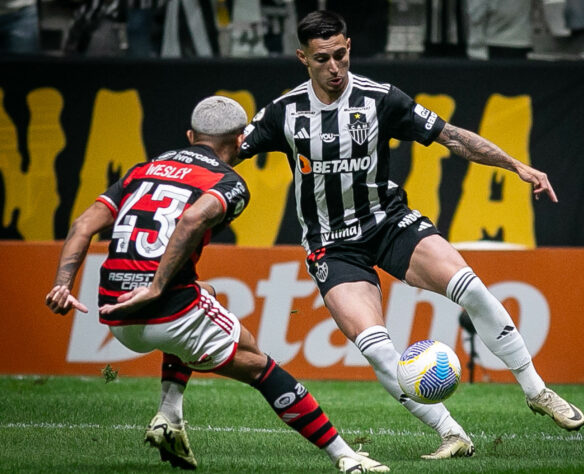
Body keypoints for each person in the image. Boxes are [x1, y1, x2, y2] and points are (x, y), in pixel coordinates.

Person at [116, 9, 584, 462]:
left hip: (389, 223)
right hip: (331, 246)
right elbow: (221, 157)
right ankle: (452, 434)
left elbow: (451, 136)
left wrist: (516, 165)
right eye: (323, 59)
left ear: (349, 49)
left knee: (470, 287)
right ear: (304, 58)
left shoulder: (379, 98)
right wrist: (167, 182)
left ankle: (536, 389)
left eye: (341, 55)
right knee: (378, 348)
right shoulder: (284, 112)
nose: (335, 67)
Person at [45, 96, 389, 473]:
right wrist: (158, 286)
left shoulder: (143, 169)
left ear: (191, 135)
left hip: (113, 308)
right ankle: (346, 456)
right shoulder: (230, 183)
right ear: (242, 140)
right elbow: (192, 221)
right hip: (166, 307)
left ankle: (169, 414)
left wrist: (64, 284)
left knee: (202, 293)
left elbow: (82, 225)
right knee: (259, 364)